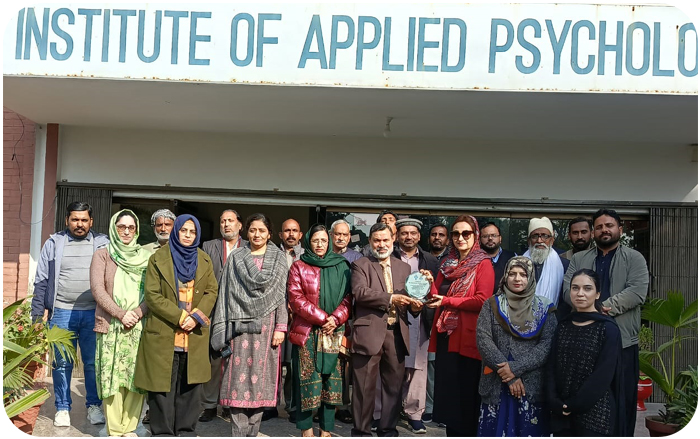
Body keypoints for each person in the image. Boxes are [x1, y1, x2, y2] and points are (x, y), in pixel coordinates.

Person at [562, 209, 648, 436]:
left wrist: (599, 308)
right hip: (584, 341)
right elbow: (567, 291)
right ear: (593, 232)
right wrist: (590, 307)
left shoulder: (634, 258)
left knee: (622, 400)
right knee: (585, 399)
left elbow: (637, 292)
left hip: (622, 342)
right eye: (599, 227)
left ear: (620, 229)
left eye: (609, 225)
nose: (604, 230)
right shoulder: (579, 259)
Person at [133, 214, 218, 437]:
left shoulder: (204, 259)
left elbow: (211, 291)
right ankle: (163, 433)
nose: (188, 235)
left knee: (190, 387)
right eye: (184, 230)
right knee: (161, 388)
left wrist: (196, 317)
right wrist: (180, 317)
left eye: (192, 231)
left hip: (193, 333)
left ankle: (186, 432)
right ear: (176, 231)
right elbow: (152, 295)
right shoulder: (158, 258)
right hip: (165, 331)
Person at [31, 201, 109, 427]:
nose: (79, 224)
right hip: (61, 313)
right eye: (75, 219)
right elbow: (41, 280)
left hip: (94, 313)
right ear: (67, 220)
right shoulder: (54, 243)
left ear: (91, 221)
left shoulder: (102, 243)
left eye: (84, 220)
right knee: (62, 363)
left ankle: (94, 406)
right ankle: (63, 408)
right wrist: (37, 315)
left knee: (93, 363)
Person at [211, 213, 289, 437]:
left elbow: (281, 296)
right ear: (246, 232)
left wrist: (281, 327)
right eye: (253, 230)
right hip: (239, 327)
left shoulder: (278, 259)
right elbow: (226, 292)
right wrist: (225, 327)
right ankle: (238, 432)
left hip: (267, 327)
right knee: (237, 379)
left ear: (269, 234)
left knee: (261, 381)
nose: (257, 235)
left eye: (262, 231)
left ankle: (253, 432)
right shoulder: (236, 257)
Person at [350, 222, 423, 437]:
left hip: (396, 334)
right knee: (364, 389)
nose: (381, 244)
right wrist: (391, 298)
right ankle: (361, 432)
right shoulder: (361, 264)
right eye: (376, 240)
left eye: (385, 240)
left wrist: (416, 306)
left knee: (393, 388)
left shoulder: (404, 268)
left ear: (393, 240)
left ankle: (388, 430)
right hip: (368, 335)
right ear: (370, 242)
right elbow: (360, 293)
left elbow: (408, 301)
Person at [426, 215, 495, 437]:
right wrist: (428, 283)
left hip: (469, 340)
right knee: (449, 401)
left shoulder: (483, 263)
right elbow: (435, 297)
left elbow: (482, 300)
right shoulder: (447, 264)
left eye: (466, 233)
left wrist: (448, 301)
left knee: (466, 400)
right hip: (446, 337)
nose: (460, 238)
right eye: (455, 233)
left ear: (475, 236)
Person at [475, 256, 556, 437]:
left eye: (523, 274)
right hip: (496, 382)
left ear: (531, 278)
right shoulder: (492, 304)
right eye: (512, 274)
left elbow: (547, 345)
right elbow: (483, 339)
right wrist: (509, 375)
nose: (517, 279)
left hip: (530, 385)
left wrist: (515, 368)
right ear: (505, 276)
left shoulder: (545, 308)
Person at [287, 225, 352, 437]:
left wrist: (336, 319)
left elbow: (349, 298)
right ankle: (307, 430)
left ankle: (326, 431)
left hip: (334, 332)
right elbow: (296, 299)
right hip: (308, 333)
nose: (320, 244)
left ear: (329, 241)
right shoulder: (298, 266)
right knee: (307, 382)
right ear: (308, 242)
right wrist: (324, 319)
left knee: (330, 384)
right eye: (315, 240)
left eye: (324, 240)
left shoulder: (342, 265)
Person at [91, 209, 151, 437]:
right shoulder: (103, 255)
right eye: (121, 227)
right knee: (111, 377)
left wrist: (137, 313)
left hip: (138, 325)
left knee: (135, 377)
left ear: (136, 230)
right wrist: (120, 314)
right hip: (111, 325)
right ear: (114, 229)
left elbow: (153, 292)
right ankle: (114, 428)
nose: (126, 231)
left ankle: (131, 427)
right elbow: (97, 289)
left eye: (131, 227)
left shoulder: (146, 257)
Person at [547, 269, 626, 436]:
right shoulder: (563, 325)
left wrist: (575, 404)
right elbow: (552, 366)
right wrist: (554, 400)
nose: (580, 293)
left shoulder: (608, 328)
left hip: (595, 414)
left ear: (597, 294)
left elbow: (603, 375)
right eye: (575, 288)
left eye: (587, 288)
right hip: (562, 412)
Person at [390, 217, 439, 434]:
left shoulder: (430, 260)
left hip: (421, 319)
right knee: (392, 364)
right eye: (404, 233)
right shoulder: (389, 256)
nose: (408, 237)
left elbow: (436, 292)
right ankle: (386, 413)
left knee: (418, 367)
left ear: (419, 236)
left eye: (412, 233)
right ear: (397, 236)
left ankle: (414, 414)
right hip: (394, 317)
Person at [199, 209, 247, 423]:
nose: (226, 224)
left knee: (235, 359)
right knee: (213, 358)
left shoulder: (249, 247)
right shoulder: (209, 246)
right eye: (223, 221)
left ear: (240, 225)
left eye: (230, 221)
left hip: (239, 312)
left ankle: (229, 403)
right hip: (213, 309)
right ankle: (209, 405)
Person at [329, 218, 362, 424]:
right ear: (331, 235)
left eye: (344, 234)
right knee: (326, 361)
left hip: (348, 317)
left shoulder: (357, 258)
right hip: (325, 316)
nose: (340, 238)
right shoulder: (323, 254)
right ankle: (324, 405)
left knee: (344, 364)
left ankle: (343, 405)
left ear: (349, 237)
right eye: (337, 234)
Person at [273, 217, 304, 422]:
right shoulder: (272, 254)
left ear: (300, 235)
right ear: (280, 234)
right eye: (287, 231)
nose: (291, 234)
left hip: (298, 317)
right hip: (275, 314)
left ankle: (292, 405)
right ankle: (270, 404)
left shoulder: (307, 255)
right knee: (273, 362)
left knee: (294, 364)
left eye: (294, 231)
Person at [523, 217, 569, 308]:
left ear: (552, 240)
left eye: (545, 236)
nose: (539, 241)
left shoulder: (564, 265)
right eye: (535, 236)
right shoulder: (519, 263)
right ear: (529, 240)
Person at [480, 222, 517, 295]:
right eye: (485, 236)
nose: (490, 238)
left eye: (493, 235)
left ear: (500, 238)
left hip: (505, 300)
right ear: (480, 239)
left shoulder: (512, 257)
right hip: (480, 300)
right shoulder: (474, 259)